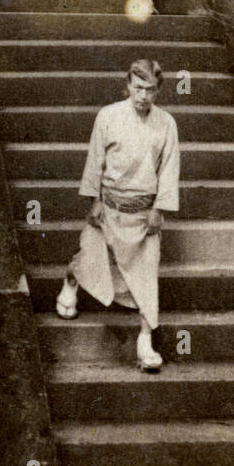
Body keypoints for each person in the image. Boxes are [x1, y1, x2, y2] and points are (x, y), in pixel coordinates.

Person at [55, 59, 180, 372]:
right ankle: (71, 278)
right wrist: (95, 199)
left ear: (158, 91)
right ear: (128, 85)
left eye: (150, 90)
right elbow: (96, 160)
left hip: (143, 212)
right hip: (109, 205)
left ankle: (145, 338)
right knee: (90, 256)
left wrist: (159, 209)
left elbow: (168, 169)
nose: (143, 96)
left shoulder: (166, 124)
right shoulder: (108, 116)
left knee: (146, 274)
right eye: (138, 88)